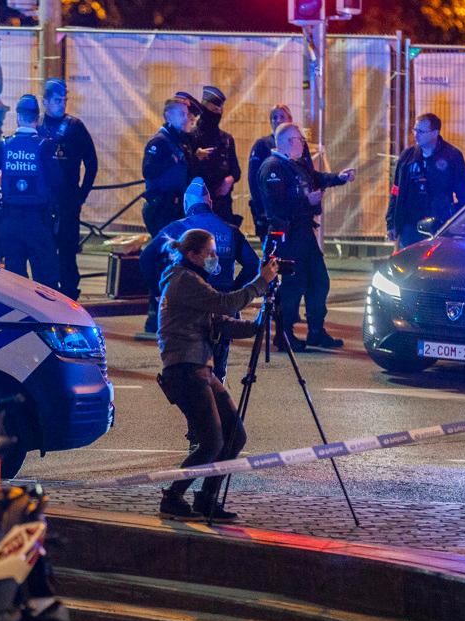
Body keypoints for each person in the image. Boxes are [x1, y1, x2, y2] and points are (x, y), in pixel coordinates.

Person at [155, 229, 278, 522]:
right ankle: (173, 497)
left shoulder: (194, 280)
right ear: (192, 255)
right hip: (185, 369)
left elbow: (219, 321)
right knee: (211, 442)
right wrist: (261, 283)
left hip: (201, 368)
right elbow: (225, 304)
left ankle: (207, 499)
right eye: (209, 252)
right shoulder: (184, 280)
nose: (214, 257)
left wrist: (255, 325)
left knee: (234, 437)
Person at [139, 179, 260, 381]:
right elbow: (253, 264)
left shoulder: (178, 228)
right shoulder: (229, 229)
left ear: (187, 205)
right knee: (217, 370)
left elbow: (147, 258)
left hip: (189, 307)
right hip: (223, 307)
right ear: (209, 203)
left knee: (192, 368)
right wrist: (233, 289)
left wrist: (159, 290)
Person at [258, 122, 355, 351]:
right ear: (284, 143)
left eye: (301, 140)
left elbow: (315, 177)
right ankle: (284, 334)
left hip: (304, 233)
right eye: (297, 140)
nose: (302, 143)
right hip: (288, 235)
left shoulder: (295, 165)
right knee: (293, 285)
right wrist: (306, 201)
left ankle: (316, 331)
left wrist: (338, 178)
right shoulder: (273, 168)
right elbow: (276, 206)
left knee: (319, 281)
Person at [0, 94, 62, 290]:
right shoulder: (45, 146)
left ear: (17, 117)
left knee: (15, 283)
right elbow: (57, 180)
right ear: (37, 118)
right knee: (46, 281)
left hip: (9, 222)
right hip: (38, 222)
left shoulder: (4, 145)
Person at [39, 79, 99, 300]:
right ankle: (47, 293)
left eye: (64, 100)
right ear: (45, 102)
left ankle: (70, 294)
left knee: (67, 250)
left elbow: (91, 163)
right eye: (57, 100)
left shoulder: (75, 127)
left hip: (68, 199)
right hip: (44, 200)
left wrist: (81, 194)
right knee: (45, 250)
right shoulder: (39, 127)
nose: (62, 104)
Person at [386, 113, 465, 249]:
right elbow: (396, 191)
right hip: (410, 226)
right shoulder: (407, 158)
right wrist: (391, 223)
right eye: (415, 130)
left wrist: (461, 222)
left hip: (439, 226)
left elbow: (464, 194)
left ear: (435, 133)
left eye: (421, 131)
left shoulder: (452, 156)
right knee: (407, 264)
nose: (415, 134)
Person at [189, 86, 241, 226]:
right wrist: (196, 157)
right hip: (198, 202)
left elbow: (236, 171)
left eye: (219, 111)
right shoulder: (190, 136)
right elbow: (184, 169)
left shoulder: (226, 139)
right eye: (212, 111)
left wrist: (229, 180)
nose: (216, 115)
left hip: (222, 203)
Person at [142, 97, 194, 237]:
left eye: (186, 114)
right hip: (161, 206)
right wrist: (171, 160)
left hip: (175, 205)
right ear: (169, 115)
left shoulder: (177, 140)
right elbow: (148, 171)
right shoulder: (160, 141)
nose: (186, 118)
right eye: (181, 114)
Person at [248, 104, 294, 241]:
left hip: (291, 209)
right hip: (269, 210)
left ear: (289, 120)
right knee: (272, 253)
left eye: (282, 117)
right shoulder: (262, 145)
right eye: (274, 117)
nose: (278, 120)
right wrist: (260, 209)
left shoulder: (297, 144)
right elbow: (253, 179)